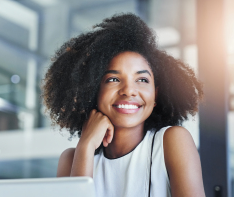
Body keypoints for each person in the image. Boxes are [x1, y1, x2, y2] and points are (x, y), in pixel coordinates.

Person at [42, 13, 205, 197]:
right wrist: (86, 147)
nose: (129, 90)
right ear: (93, 90)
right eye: (113, 79)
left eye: (142, 79)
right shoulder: (72, 159)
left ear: (156, 94)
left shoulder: (171, 141)